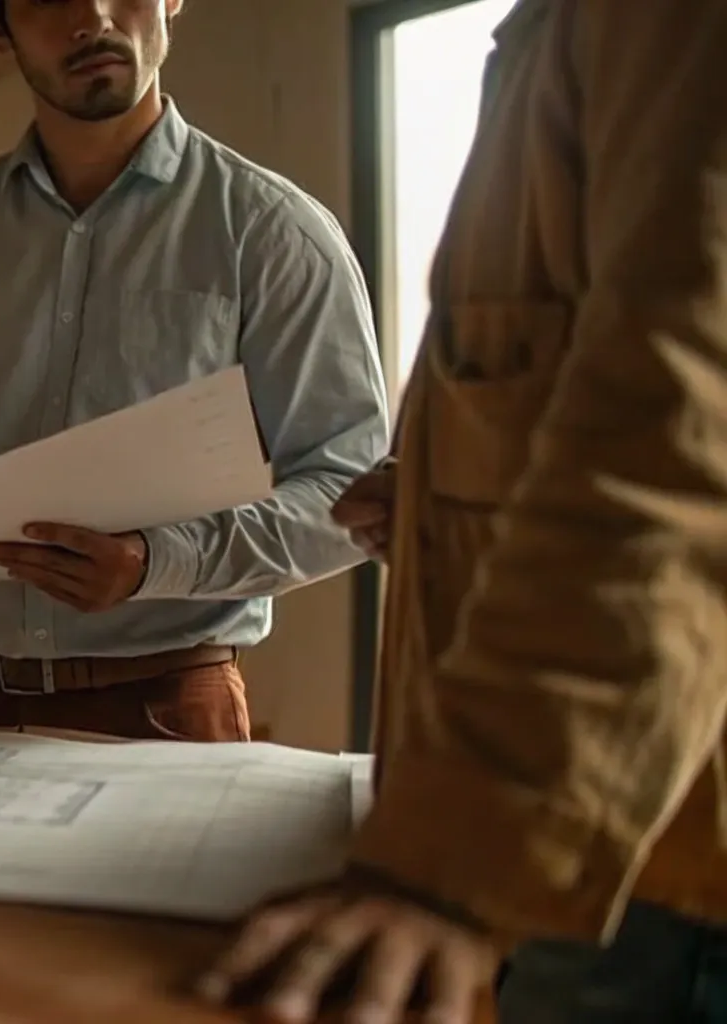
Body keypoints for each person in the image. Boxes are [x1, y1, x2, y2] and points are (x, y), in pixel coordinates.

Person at [194, 1, 727, 1021]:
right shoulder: (554, 34)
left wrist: (450, 861)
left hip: (643, 871)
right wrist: (445, 493)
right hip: (591, 853)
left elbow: (677, 430)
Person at [0, 0, 388, 741]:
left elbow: (351, 493)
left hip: (166, 710)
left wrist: (159, 561)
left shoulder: (274, 233)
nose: (92, 17)